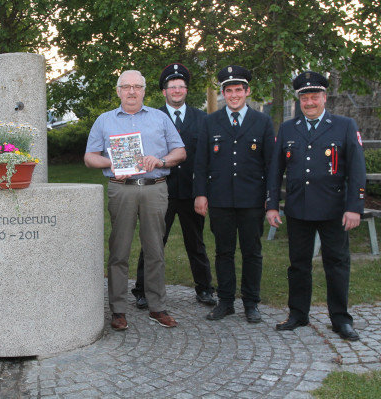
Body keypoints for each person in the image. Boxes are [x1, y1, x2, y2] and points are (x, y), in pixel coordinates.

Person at [266, 71, 366, 341]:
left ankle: (341, 319)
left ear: (324, 97)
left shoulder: (344, 125)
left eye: (314, 97)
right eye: (304, 98)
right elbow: (276, 171)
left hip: (334, 209)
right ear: (299, 100)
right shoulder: (288, 128)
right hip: (298, 209)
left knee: (337, 264)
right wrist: (272, 205)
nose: (309, 102)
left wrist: (354, 207)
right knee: (298, 265)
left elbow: (357, 170)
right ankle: (298, 314)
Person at [85, 70, 186, 330]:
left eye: (137, 87)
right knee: (119, 250)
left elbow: (180, 151)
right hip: (122, 189)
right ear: (118, 91)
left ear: (144, 90)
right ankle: (118, 310)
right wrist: (114, 163)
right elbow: (90, 157)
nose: (132, 91)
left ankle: (157, 307)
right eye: (126, 87)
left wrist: (162, 161)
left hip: (155, 188)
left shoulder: (160, 118)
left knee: (155, 249)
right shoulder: (104, 120)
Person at [194, 65, 275, 323]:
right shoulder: (211, 122)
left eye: (238, 90)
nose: (234, 95)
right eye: (228, 91)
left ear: (247, 91)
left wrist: (270, 199)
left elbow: (271, 164)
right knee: (223, 252)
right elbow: (201, 162)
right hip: (221, 199)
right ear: (223, 94)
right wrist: (200, 194)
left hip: (252, 199)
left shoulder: (262, 122)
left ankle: (251, 303)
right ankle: (226, 301)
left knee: (252, 252)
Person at [133, 63, 216, 309]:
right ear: (164, 91)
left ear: (186, 90)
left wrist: (204, 191)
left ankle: (204, 289)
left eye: (181, 86)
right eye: (172, 87)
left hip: (192, 191)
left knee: (196, 243)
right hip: (159, 190)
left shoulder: (203, 119)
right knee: (153, 241)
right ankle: (142, 290)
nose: (177, 90)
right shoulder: (150, 117)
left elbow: (206, 158)